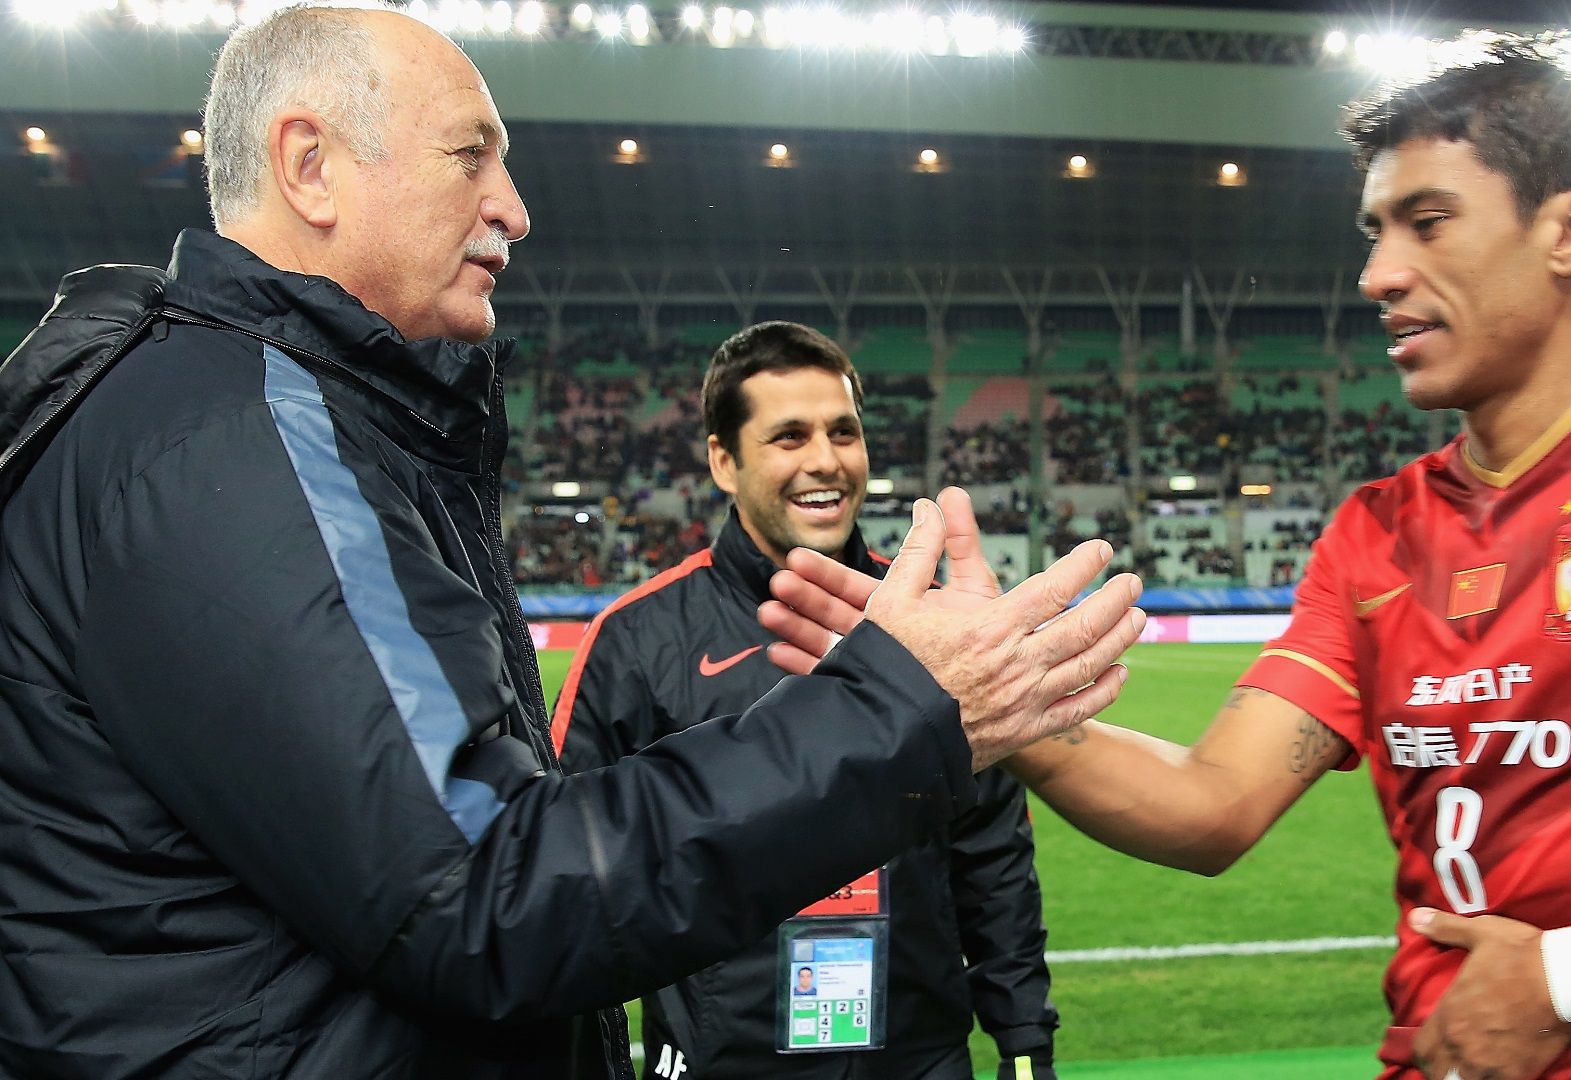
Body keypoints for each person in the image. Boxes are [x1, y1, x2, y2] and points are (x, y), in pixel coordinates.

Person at [0, 7, 1141, 1079]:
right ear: (311, 166)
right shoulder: (233, 440)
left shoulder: (272, 419)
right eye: (470, 156)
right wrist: (898, 711)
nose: (514, 208)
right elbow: (481, 896)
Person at [758, 32, 1571, 1080]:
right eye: (1375, 232)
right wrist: (991, 707)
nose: (1378, 276)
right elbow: (1214, 806)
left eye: (1429, 221)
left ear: (1570, 230)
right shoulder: (1378, 530)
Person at [551, 322, 1059, 1080]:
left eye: (843, 432)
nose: (826, 460)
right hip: (722, 1065)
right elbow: (566, 877)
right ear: (724, 461)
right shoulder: (634, 640)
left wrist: (1024, 1044)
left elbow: (991, 853)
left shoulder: (938, 626)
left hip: (918, 1061)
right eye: (789, 436)